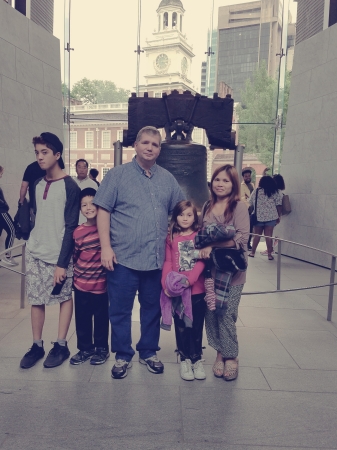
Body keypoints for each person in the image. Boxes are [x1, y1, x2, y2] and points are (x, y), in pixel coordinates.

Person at [94, 126, 185, 379]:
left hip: (155, 259)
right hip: (122, 258)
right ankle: (123, 355)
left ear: (159, 149)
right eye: (145, 143)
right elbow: (103, 210)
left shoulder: (167, 179)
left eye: (155, 145)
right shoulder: (117, 175)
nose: (149, 148)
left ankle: (148, 351)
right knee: (120, 311)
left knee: (152, 309)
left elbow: (181, 211)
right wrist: (106, 247)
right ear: (136, 145)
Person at [19, 132, 80, 369]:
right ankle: (36, 345)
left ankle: (62, 344)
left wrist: (62, 263)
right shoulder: (36, 183)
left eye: (44, 152)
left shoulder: (70, 186)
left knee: (64, 297)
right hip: (35, 250)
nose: (40, 157)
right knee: (36, 298)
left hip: (59, 255)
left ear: (57, 154)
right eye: (37, 153)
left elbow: (70, 226)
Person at [198, 165, 249, 381]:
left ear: (233, 184)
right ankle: (219, 352)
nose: (220, 184)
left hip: (232, 272)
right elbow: (201, 235)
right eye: (217, 179)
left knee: (227, 314)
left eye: (226, 181)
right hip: (210, 271)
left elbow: (241, 238)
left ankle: (231, 356)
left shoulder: (239, 207)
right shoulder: (207, 206)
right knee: (212, 312)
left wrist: (214, 245)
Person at [161, 200, 206, 381]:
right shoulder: (171, 237)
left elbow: (202, 260)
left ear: (195, 216)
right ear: (175, 217)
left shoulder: (199, 235)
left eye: (189, 215)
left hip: (197, 290)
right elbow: (168, 262)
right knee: (181, 326)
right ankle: (185, 359)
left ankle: (196, 358)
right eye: (181, 215)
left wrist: (191, 279)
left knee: (196, 326)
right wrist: (166, 284)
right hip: (178, 292)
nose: (185, 218)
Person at [70, 187, 109, 366]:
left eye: (92, 203)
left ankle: (101, 349)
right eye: (83, 205)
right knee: (82, 318)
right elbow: (76, 255)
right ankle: (85, 349)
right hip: (81, 284)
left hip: (101, 285)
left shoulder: (107, 230)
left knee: (101, 318)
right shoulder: (77, 232)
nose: (88, 207)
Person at [248, 175, 282, 261]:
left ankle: (252, 252)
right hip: (271, 217)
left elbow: (250, 202)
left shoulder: (256, 191)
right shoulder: (276, 191)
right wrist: (278, 216)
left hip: (258, 216)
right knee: (269, 236)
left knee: (256, 236)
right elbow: (279, 205)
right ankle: (269, 255)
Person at [260, 174, 285, 257]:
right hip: (275, 216)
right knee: (270, 233)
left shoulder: (275, 192)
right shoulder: (279, 192)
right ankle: (270, 250)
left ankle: (270, 250)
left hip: (273, 216)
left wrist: (278, 216)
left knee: (269, 234)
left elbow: (278, 205)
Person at [0, 166, 17, 266]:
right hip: (1, 212)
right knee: (12, 230)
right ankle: (7, 256)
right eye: (1, 173)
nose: (1, 175)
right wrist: (4, 205)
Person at [73, 159, 97, 224]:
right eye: (79, 167)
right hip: (72, 218)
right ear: (76, 169)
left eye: (84, 167)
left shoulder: (93, 184)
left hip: (87, 219)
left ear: (87, 169)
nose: (81, 170)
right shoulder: (71, 183)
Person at [241, 168, 254, 250]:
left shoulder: (252, 185)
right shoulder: (241, 186)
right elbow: (242, 197)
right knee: (246, 227)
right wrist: (249, 206)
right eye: (246, 176)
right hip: (247, 209)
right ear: (243, 177)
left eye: (249, 176)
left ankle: (249, 243)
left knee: (251, 227)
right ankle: (245, 243)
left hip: (253, 209)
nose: (248, 177)